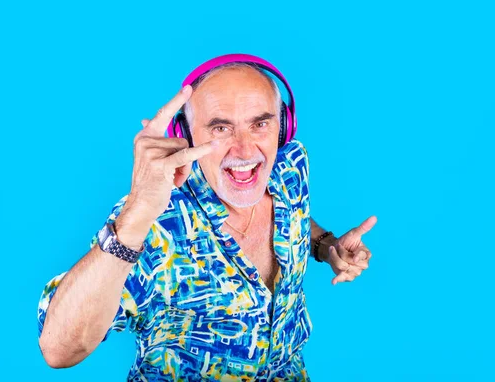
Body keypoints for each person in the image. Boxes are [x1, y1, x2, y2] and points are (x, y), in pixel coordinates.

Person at [37, 54, 376, 381]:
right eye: (221, 128)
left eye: (260, 123)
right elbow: (59, 349)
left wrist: (324, 245)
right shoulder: (155, 223)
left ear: (283, 125)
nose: (245, 150)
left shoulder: (288, 168)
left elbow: (294, 211)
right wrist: (136, 215)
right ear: (185, 135)